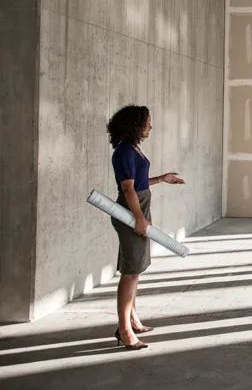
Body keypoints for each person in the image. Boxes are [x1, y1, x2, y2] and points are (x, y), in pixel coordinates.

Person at [106, 105, 185, 349]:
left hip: (139, 208)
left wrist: (162, 179)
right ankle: (124, 330)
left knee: (136, 269)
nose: (150, 126)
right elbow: (128, 189)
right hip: (132, 211)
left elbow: (139, 183)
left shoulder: (133, 150)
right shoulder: (124, 152)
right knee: (129, 273)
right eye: (147, 122)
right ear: (134, 125)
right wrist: (139, 217)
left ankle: (132, 319)